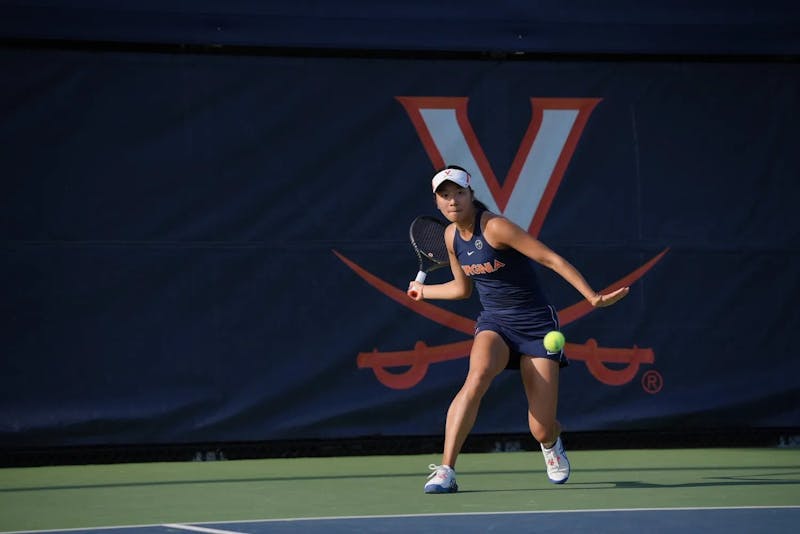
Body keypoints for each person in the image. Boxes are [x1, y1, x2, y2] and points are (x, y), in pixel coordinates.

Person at [408, 165, 629, 494]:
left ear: (471, 195)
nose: (452, 200)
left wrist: (592, 296)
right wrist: (424, 291)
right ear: (437, 203)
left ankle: (551, 442)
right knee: (477, 376)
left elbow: (550, 259)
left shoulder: (496, 227)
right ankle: (446, 470)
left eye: (459, 193)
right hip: (495, 324)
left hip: (536, 326)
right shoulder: (450, 236)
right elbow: (462, 289)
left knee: (541, 429)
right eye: (445, 195)